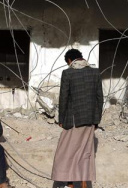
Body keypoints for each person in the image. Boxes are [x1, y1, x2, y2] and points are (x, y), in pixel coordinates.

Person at [51, 49, 104, 188]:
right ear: (81, 57)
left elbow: (64, 98)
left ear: (70, 60)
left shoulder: (68, 73)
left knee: (66, 152)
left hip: (74, 120)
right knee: (85, 152)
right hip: (90, 120)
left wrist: (61, 119)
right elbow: (100, 97)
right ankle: (84, 183)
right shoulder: (95, 72)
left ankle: (69, 183)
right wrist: (97, 120)